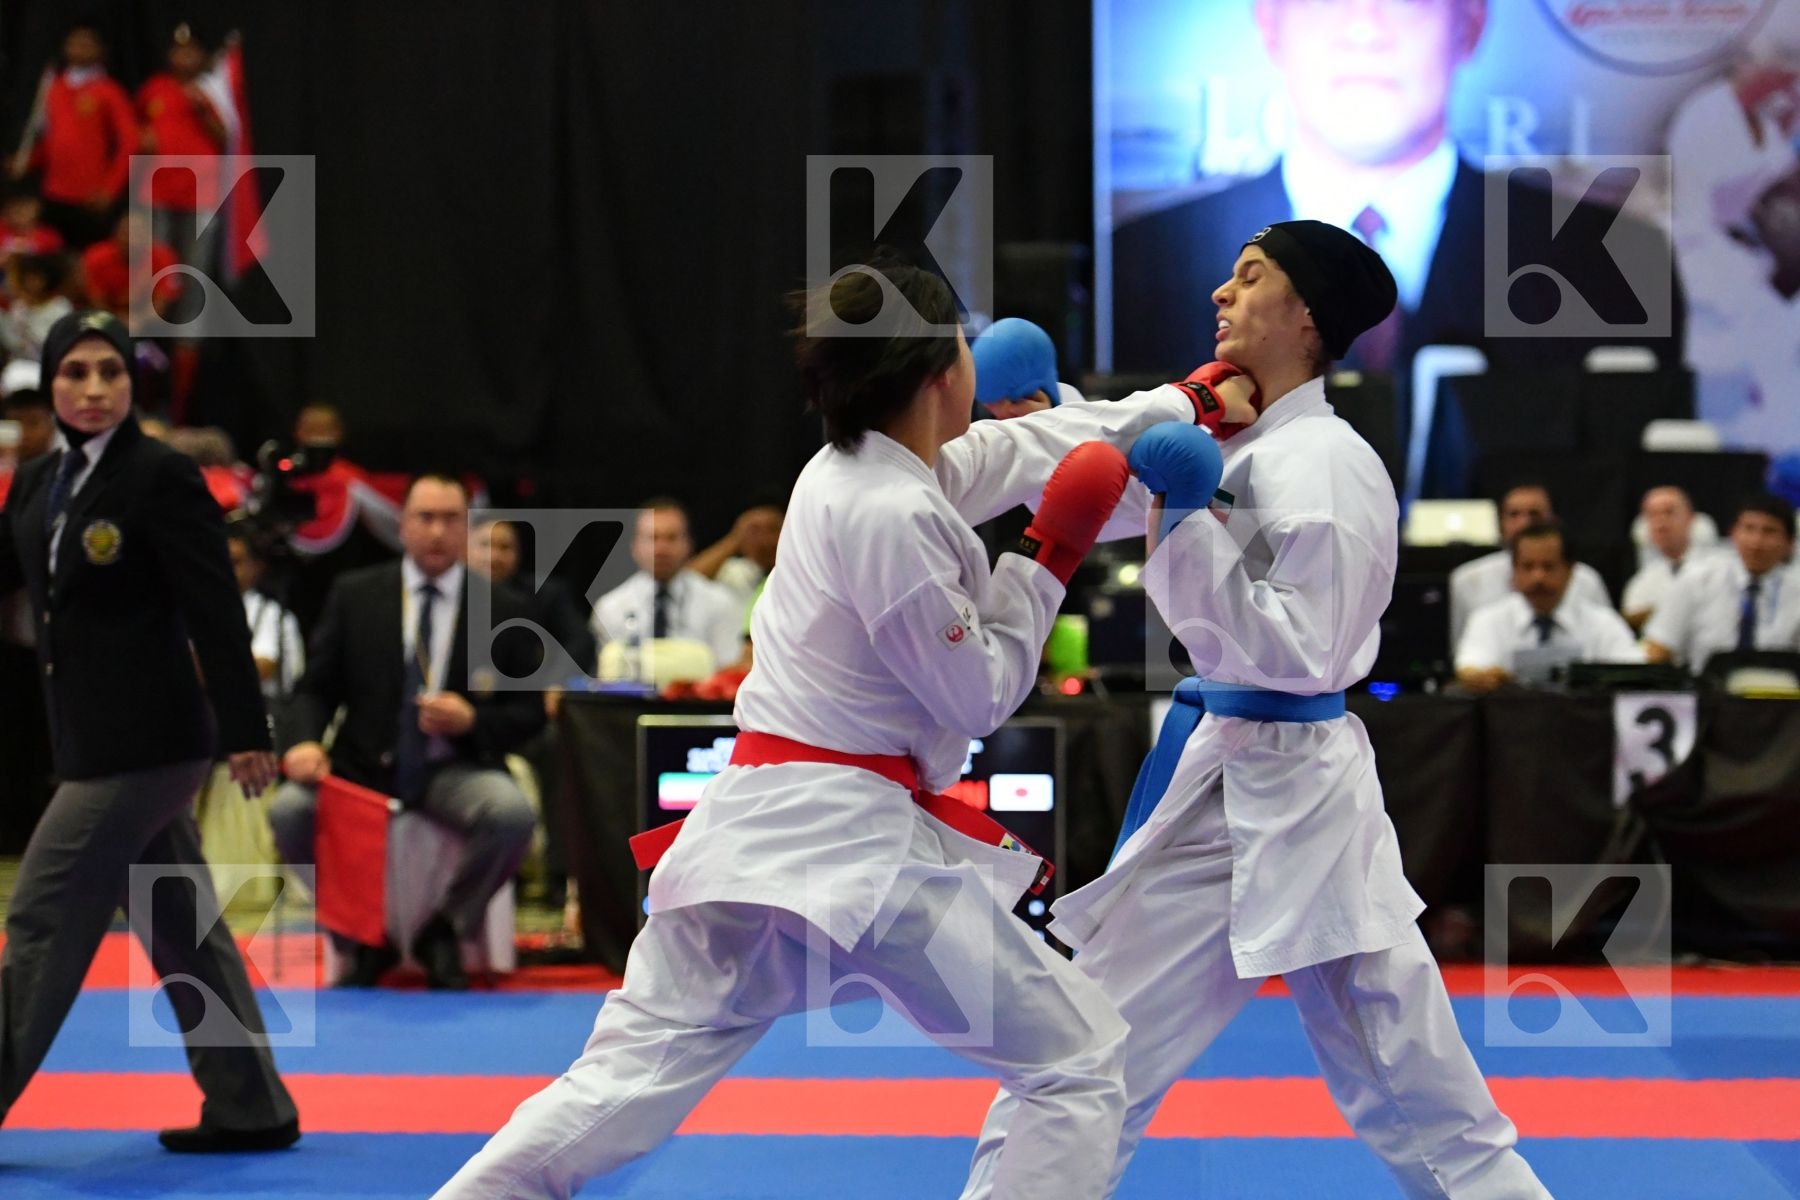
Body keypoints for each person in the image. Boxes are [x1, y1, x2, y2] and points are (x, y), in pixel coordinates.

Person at [431, 256, 1239, 1199]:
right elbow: (975, 697)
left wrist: (1187, 400)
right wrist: (1045, 558)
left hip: (757, 842)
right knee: (1079, 1061)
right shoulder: (890, 510)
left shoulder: (866, 469)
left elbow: (1039, 443)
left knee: (613, 1092)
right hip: (854, 856)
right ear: (946, 368)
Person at [962, 221, 1550, 1199]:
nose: (1218, 296)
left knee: (1406, 1094)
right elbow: (1100, 494)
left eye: (1249, 278)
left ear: (1305, 314)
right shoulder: (1240, 437)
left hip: (1290, 783)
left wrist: (1189, 527)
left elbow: (1303, 652)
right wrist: (1050, 417)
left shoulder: (1323, 462)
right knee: (1096, 1058)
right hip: (1247, 776)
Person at [0, 310, 298, 1152]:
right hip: (90, 741)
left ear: (132, 384)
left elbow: (215, 610)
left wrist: (246, 727)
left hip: (149, 747)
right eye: (75, 374)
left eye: (110, 373)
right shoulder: (37, 482)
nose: (93, 390)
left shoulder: (160, 476)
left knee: (40, 919)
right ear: (50, 384)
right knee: (181, 925)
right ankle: (251, 1105)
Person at [1111, 0, 1682, 380]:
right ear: (1269, 23)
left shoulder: (1613, 263)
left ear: (1472, 22)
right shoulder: (1136, 267)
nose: (1364, 29)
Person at [268, 474, 543, 991]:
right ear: (403, 525)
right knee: (289, 811)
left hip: (453, 767)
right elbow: (314, 689)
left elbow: (531, 715)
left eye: (450, 520)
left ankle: (445, 929)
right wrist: (302, 742)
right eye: (425, 518)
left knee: (511, 815)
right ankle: (358, 937)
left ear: (467, 528)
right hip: (364, 766)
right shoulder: (357, 595)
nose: (437, 532)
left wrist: (474, 720)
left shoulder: (504, 608)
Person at [1455, 522, 1643, 692]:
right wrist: (1484, 678)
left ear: (1570, 571)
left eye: (1548, 566)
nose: (1538, 577)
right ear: (1514, 571)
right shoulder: (1488, 621)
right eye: (1528, 567)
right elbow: (1471, 668)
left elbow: (1637, 675)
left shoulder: (1603, 624)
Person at [11, 22, 138, 249]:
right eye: (75, 42)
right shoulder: (54, 87)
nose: (79, 48)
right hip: (53, 193)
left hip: (90, 196)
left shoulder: (108, 91)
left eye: (87, 44)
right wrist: (26, 161)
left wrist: (110, 189)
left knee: (86, 263)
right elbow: (50, 141)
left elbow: (130, 142)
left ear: (101, 50)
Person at [590, 497, 746, 677]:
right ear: (635, 546)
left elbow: (728, 671)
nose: (662, 549)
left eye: (671, 538)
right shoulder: (609, 608)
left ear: (688, 544)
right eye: (653, 538)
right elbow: (609, 680)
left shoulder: (720, 602)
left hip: (699, 704)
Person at [1644, 493, 1800, 671]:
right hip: (1704, 691)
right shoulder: (1697, 579)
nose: (1756, 542)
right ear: (1733, 534)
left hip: (1778, 693)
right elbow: (1659, 650)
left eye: (1769, 531)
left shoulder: (1796, 591)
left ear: (1789, 543)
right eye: (1748, 529)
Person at [1448, 483, 1612, 647]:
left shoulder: (1586, 579)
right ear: (1500, 523)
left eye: (1535, 514)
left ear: (1552, 520)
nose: (1524, 523)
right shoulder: (1467, 579)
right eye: (1514, 514)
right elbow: (1460, 650)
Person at [135, 23, 227, 275]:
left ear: (202, 55)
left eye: (191, 51)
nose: (184, 56)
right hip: (158, 188)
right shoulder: (155, 87)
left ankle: (191, 317)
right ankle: (153, 315)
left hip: (201, 189)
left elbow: (229, 138)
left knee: (195, 265)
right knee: (156, 262)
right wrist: (142, 138)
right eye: (178, 50)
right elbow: (136, 125)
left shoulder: (213, 90)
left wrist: (203, 111)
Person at [1621, 486, 1716, 632]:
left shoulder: (1718, 569)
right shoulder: (1641, 584)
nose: (1661, 523)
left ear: (1690, 518)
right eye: (1652, 515)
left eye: (1669, 512)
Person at [227, 528, 305, 700]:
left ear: (257, 567)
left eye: (235, 562)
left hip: (264, 711)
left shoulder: (271, 613)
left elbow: (260, 669)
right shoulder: (206, 607)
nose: (226, 569)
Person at [687, 500, 784, 613]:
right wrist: (734, 540)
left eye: (773, 529)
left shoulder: (799, 569)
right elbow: (687, 580)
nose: (765, 540)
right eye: (754, 531)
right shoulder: (737, 573)